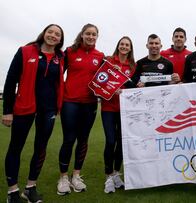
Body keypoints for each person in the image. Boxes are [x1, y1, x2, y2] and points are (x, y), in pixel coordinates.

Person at [2, 24, 65, 203]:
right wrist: (7, 110)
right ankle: (12, 191)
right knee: (16, 147)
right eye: (50, 32)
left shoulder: (60, 57)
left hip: (49, 110)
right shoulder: (25, 51)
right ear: (44, 33)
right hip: (24, 107)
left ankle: (30, 188)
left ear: (60, 40)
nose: (53, 36)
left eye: (57, 34)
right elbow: (10, 81)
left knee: (40, 148)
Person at [57, 23, 105, 195]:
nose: (91, 37)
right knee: (69, 139)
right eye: (88, 34)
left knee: (83, 140)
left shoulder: (100, 56)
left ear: (97, 37)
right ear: (82, 34)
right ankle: (63, 177)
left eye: (94, 34)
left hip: (90, 103)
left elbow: (106, 78)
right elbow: (58, 72)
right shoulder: (70, 51)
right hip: (70, 101)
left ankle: (76, 175)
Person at [101, 36, 136, 194]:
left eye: (127, 45)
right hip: (108, 108)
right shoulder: (108, 61)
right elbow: (100, 82)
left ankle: (116, 173)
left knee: (122, 143)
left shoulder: (133, 66)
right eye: (122, 44)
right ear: (118, 46)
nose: (124, 46)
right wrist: (111, 90)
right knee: (110, 141)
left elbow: (134, 86)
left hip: (125, 110)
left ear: (130, 48)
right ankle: (108, 176)